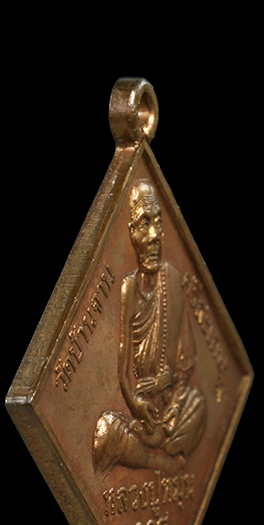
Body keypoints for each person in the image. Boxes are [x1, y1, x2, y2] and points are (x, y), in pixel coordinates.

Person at [92, 179, 206, 477]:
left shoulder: (172, 279)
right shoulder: (129, 287)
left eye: (158, 223)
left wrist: (169, 389)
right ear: (131, 232)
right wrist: (136, 404)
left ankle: (156, 447)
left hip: (170, 407)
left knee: (199, 406)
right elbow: (122, 369)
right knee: (107, 431)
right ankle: (161, 461)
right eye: (144, 224)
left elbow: (186, 362)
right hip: (142, 409)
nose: (154, 236)